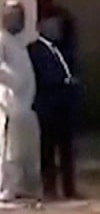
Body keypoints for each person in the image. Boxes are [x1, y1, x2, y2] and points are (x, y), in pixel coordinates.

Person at [28, 21, 80, 200]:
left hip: (64, 106)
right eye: (54, 28)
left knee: (66, 149)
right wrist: (62, 82)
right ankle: (50, 188)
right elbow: (43, 76)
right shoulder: (36, 50)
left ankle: (69, 188)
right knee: (48, 149)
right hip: (49, 105)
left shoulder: (58, 49)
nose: (58, 31)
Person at [0, 0, 41, 204]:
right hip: (11, 104)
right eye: (15, 16)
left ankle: (26, 187)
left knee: (26, 150)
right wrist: (15, 81)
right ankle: (9, 188)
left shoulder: (18, 42)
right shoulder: (2, 40)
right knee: (10, 151)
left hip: (26, 105)